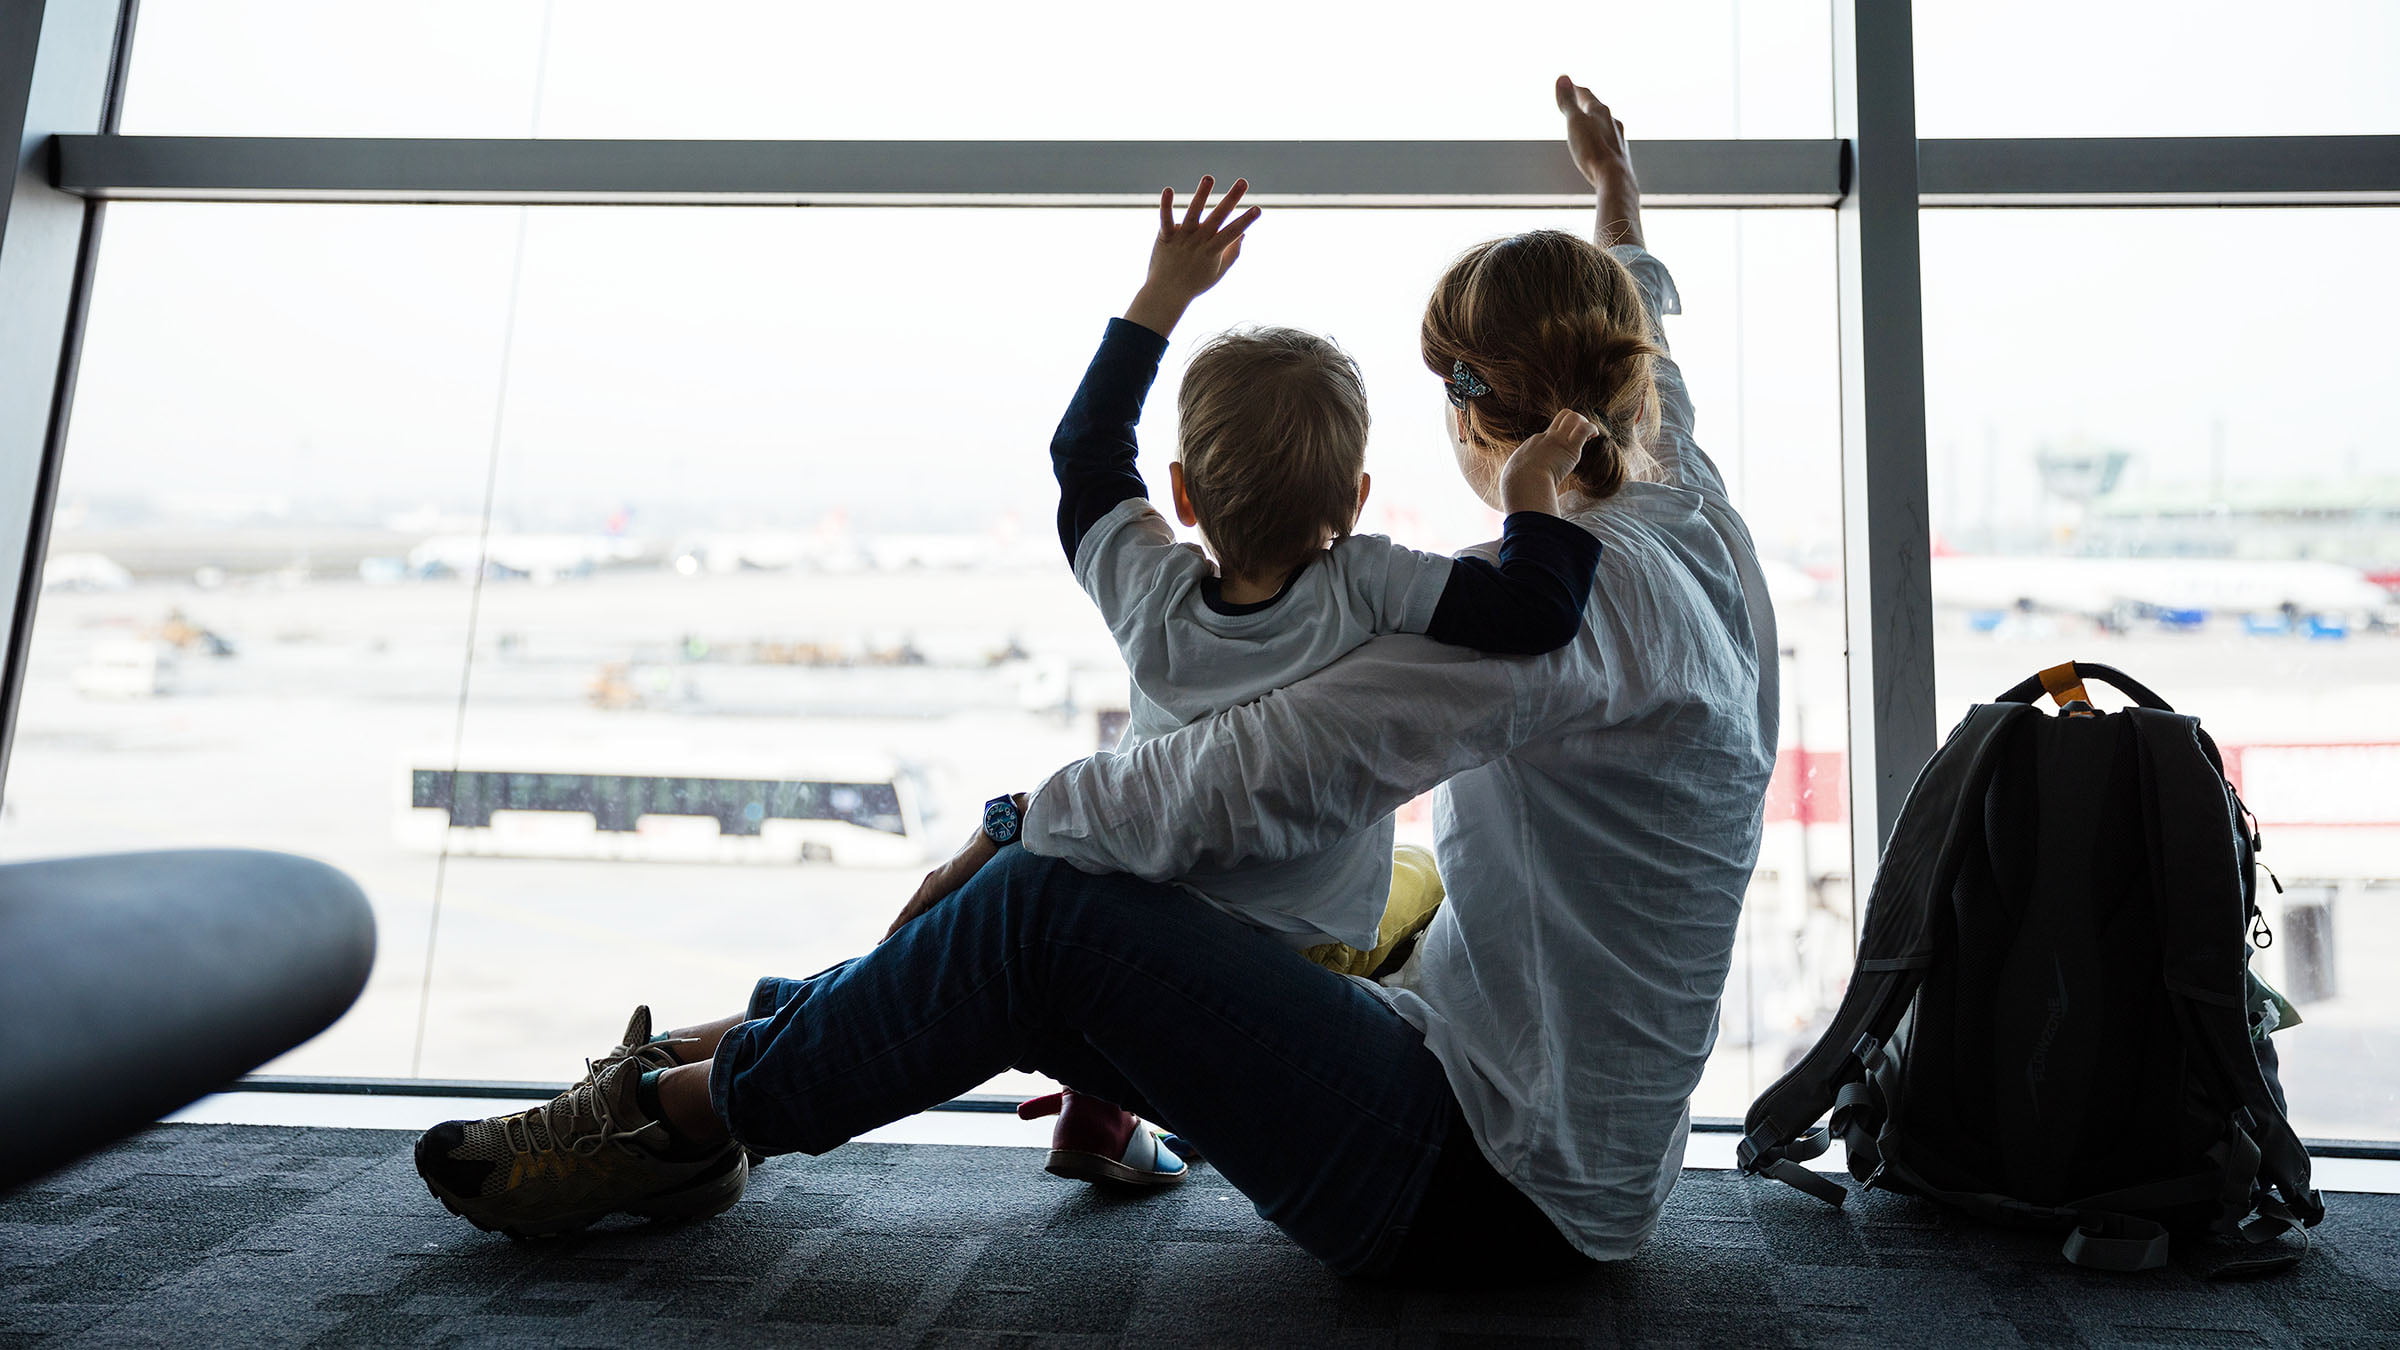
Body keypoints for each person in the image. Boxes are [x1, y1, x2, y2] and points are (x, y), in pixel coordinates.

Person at [416, 75, 1777, 1285]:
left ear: (1486, 408)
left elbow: (1253, 771)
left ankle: (666, 1127)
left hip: (1494, 1190)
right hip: (1530, 1125)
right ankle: (675, 1074)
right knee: (1067, 905)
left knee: (1042, 909)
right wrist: (1620, 202)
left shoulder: (1557, 622)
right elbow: (1653, 356)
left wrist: (1014, 820)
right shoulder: (1684, 515)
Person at [1014, 171, 1607, 1184]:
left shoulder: (1148, 595)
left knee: (1135, 866)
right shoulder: (1366, 582)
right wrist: (1530, 496)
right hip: (1299, 954)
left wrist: (1163, 294)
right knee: (1427, 884)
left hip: (1151, 914)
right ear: (1357, 495)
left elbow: (1084, 452)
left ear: (1184, 495)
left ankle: (1103, 1107)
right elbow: (1538, 612)